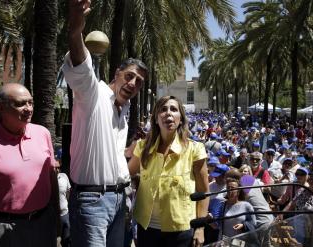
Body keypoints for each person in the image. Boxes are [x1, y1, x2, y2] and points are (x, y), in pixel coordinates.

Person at [65, 1, 148, 246]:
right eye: (129, 75)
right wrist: (75, 30)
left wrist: (126, 153)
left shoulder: (125, 109)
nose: (133, 83)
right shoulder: (93, 94)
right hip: (91, 201)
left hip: (120, 199)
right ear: (116, 74)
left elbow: (109, 148)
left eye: (139, 81)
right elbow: (81, 67)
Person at [0, 83, 59, 247]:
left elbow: (51, 177)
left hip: (43, 225)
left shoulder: (42, 134)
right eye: (20, 103)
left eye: (30, 102)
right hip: (3, 231)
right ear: (0, 107)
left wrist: (56, 220)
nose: (28, 108)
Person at [128, 96, 209, 247]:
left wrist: (200, 228)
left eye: (174, 109)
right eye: (163, 109)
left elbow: (203, 191)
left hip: (181, 231)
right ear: (156, 118)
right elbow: (126, 173)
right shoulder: (143, 147)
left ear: (181, 118)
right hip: (147, 229)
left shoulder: (195, 150)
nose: (168, 113)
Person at [55, 156, 71, 247]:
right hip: (54, 216)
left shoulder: (64, 176)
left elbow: (69, 192)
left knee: (67, 240)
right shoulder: (48, 178)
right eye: (55, 167)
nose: (57, 170)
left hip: (65, 214)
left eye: (58, 167)